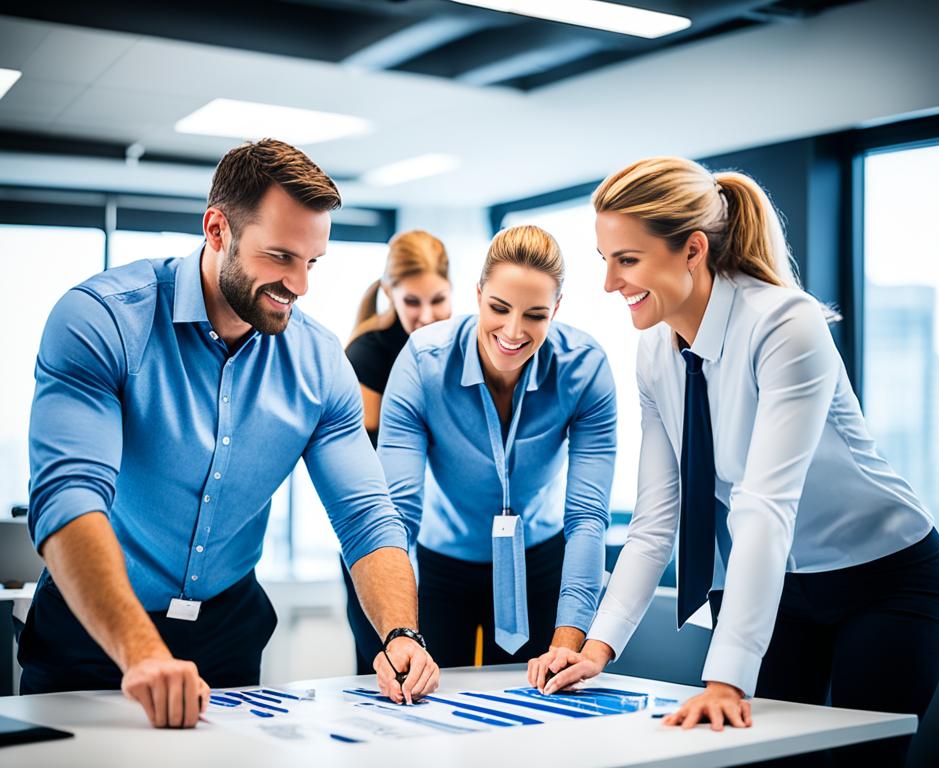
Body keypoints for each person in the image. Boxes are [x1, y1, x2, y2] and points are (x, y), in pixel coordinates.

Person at [537, 157, 939, 765]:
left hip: (883, 578)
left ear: (692, 250)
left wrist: (727, 681)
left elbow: (764, 505)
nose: (609, 284)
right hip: (777, 586)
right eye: (605, 259)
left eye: (626, 260)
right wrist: (596, 648)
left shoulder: (785, 323)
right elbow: (656, 522)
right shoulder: (654, 354)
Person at [20, 138, 439, 728]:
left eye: (312, 262)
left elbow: (366, 515)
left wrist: (400, 633)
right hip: (93, 629)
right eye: (280, 256)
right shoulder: (102, 319)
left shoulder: (319, 362)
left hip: (227, 639)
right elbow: (68, 497)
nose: (300, 285)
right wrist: (142, 652)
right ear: (217, 229)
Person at [378, 225, 617, 669]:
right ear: (478, 294)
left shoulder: (584, 368)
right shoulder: (423, 362)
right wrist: (400, 633)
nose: (512, 331)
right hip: (443, 565)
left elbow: (587, 516)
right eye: (499, 308)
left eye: (535, 315)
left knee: (544, 698)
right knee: (430, 698)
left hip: (540, 564)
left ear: (556, 309)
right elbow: (398, 513)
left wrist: (568, 642)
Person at [340, 229, 452, 673]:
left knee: (440, 661)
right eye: (412, 302)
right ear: (389, 293)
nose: (427, 316)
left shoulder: (463, 345)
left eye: (438, 300)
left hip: (441, 536)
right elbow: (368, 470)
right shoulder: (366, 354)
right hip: (377, 533)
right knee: (381, 659)